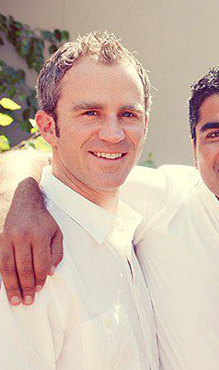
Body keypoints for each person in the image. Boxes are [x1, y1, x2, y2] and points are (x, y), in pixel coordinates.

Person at [0, 61, 219, 369]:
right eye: (215, 133)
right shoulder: (163, 200)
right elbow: (55, 162)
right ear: (194, 147)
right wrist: (20, 199)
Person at [0, 32, 160, 369]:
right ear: (48, 127)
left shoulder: (138, 222)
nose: (113, 134)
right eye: (90, 113)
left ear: (145, 124)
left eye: (128, 115)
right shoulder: (26, 258)